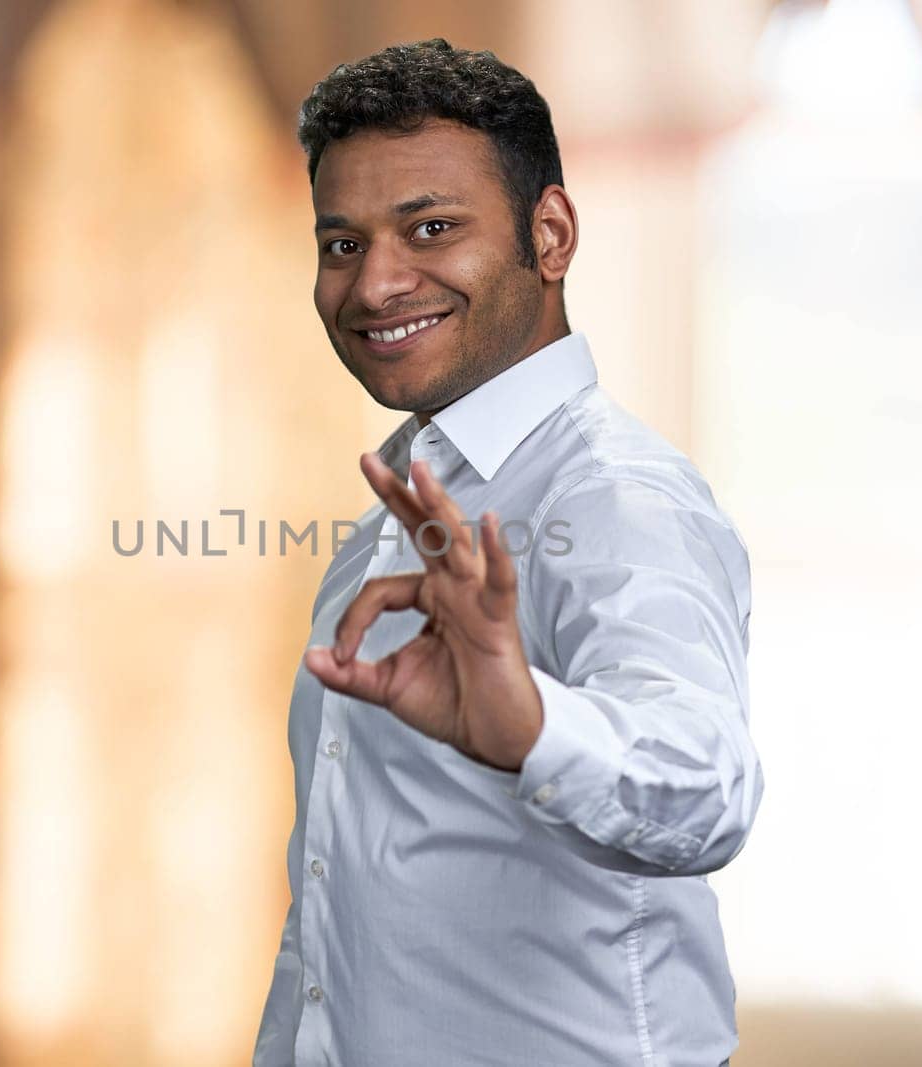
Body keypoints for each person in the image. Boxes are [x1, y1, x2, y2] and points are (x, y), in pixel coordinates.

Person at [253, 39, 761, 1067]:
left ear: (551, 233)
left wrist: (530, 724)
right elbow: (339, 918)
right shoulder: (407, 500)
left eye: (430, 228)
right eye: (340, 243)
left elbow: (708, 787)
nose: (375, 284)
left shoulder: (612, 496)